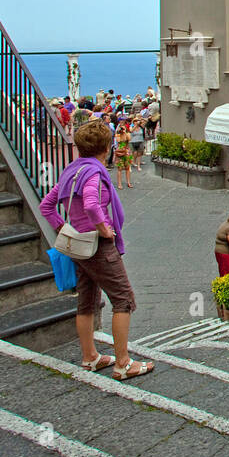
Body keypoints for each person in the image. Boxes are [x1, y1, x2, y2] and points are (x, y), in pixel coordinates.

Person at [39, 118, 153, 380]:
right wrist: (103, 229)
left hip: (78, 246)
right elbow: (92, 204)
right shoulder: (93, 173)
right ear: (107, 147)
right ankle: (123, 363)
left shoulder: (71, 172)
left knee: (87, 301)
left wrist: (62, 228)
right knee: (123, 299)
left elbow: (47, 206)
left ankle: (90, 357)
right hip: (98, 246)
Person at [113, 121, 134, 188]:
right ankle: (119, 183)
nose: (122, 129)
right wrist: (120, 133)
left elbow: (129, 139)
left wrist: (125, 133)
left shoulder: (127, 133)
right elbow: (118, 140)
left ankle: (128, 182)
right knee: (120, 168)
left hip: (127, 151)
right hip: (120, 152)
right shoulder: (118, 134)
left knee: (128, 167)